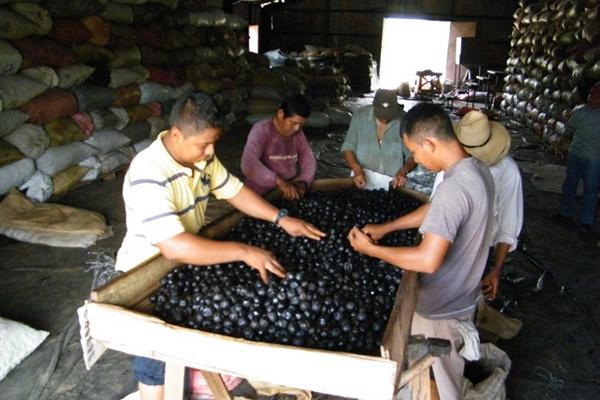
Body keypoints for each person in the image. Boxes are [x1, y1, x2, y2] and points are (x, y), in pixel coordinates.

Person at [116, 91, 326, 400]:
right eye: (204, 144)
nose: (211, 151)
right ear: (176, 134)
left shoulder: (203, 158)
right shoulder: (149, 172)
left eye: (214, 142)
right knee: (157, 354)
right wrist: (244, 251)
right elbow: (174, 246)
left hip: (184, 263)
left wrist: (281, 218)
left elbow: (236, 192)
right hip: (146, 273)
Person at [347, 103, 494, 400]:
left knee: (437, 384)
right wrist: (386, 228)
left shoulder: (455, 188)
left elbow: (427, 260)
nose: (415, 159)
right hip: (462, 295)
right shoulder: (475, 170)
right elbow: (435, 209)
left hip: (439, 308)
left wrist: (371, 250)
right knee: (445, 373)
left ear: (429, 143)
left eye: (414, 151)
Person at [431, 111, 523, 301]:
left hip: (483, 249)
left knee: (473, 297)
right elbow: (434, 209)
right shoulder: (449, 167)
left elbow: (508, 224)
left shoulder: (508, 171)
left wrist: (497, 268)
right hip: (449, 244)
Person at [241, 94, 316, 200]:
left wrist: (303, 182)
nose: (296, 128)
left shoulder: (298, 134)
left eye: (301, 124)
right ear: (281, 114)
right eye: (293, 123)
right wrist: (278, 181)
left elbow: (308, 159)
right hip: (260, 194)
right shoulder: (262, 130)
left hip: (287, 192)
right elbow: (248, 164)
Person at [341, 88, 416, 190]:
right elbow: (348, 147)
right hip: (361, 180)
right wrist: (356, 169)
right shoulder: (360, 116)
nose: (385, 119)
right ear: (374, 106)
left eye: (389, 115)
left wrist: (404, 170)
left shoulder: (405, 121)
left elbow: (412, 155)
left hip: (392, 183)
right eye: (381, 115)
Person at [556, 83, 600, 231]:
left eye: (597, 98)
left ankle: (586, 221)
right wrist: (562, 144)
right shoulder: (580, 112)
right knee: (569, 185)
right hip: (575, 154)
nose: (593, 100)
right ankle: (564, 213)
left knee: (591, 190)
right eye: (591, 96)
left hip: (594, 158)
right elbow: (568, 130)